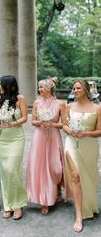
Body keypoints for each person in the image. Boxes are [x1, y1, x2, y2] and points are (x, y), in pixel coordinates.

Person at [63, 79, 101, 233]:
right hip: (71, 144)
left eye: (78, 88)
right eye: (74, 88)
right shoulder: (69, 106)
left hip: (89, 146)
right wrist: (68, 130)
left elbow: (100, 131)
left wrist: (86, 133)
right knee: (75, 175)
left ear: (86, 90)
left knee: (89, 178)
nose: (75, 91)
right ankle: (78, 215)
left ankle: (90, 205)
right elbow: (64, 124)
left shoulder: (97, 108)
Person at [26, 77, 68, 215]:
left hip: (54, 137)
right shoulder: (37, 103)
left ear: (49, 88)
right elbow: (33, 121)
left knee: (55, 165)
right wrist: (41, 122)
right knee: (40, 167)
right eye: (39, 87)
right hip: (39, 137)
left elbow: (64, 124)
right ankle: (45, 200)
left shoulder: (60, 104)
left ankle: (56, 190)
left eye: (41, 87)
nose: (39, 89)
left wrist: (52, 124)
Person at [0, 75, 28, 220]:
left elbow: (24, 118)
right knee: (5, 172)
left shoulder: (20, 98)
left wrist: (11, 124)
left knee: (13, 171)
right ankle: (7, 205)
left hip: (16, 138)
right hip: (3, 139)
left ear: (8, 85)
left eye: (0, 84)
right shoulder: (1, 99)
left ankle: (18, 204)